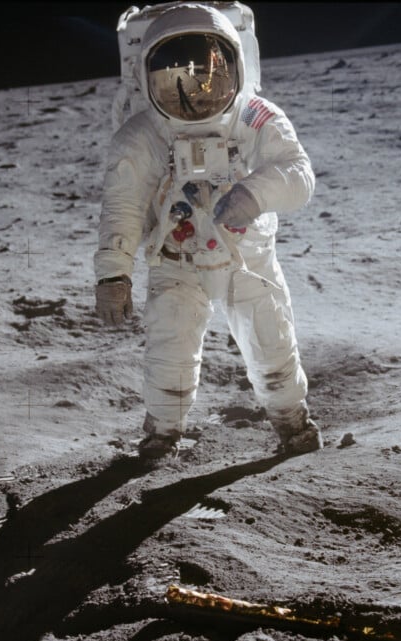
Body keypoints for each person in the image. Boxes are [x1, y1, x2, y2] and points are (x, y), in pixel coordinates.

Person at [94, 1, 322, 460]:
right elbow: (122, 206)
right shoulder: (144, 135)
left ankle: (293, 424)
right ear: (148, 78)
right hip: (176, 262)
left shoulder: (254, 117)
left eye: (209, 74)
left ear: (234, 65)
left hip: (246, 258)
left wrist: (255, 194)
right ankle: (162, 435)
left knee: (272, 343)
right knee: (169, 353)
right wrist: (113, 274)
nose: (193, 92)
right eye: (172, 79)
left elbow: (299, 174)